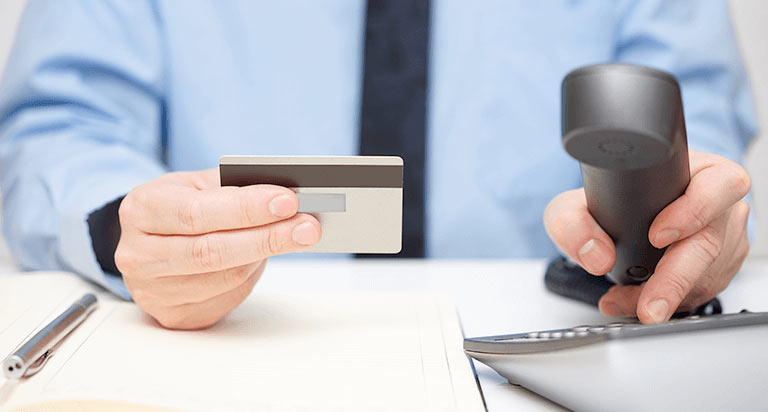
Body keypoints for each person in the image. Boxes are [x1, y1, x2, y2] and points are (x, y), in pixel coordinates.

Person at [0, 0, 756, 330]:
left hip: (562, 337)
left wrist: (680, 220)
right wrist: (131, 231)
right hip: (227, 342)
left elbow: (694, 124)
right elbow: (57, 126)